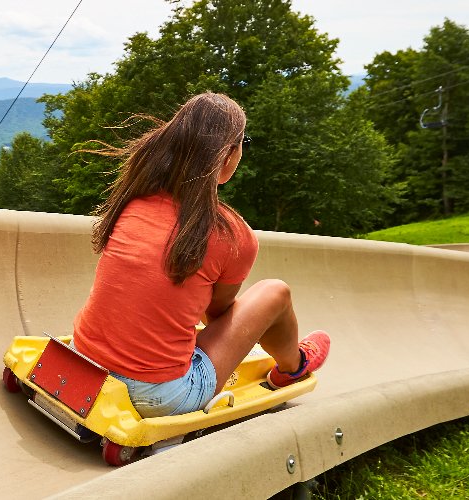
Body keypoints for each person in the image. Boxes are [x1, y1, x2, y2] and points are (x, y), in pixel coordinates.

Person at [71, 92, 330, 419]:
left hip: (80, 362)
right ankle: (293, 365)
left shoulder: (133, 199)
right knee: (275, 292)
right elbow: (216, 317)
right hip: (155, 394)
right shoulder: (232, 234)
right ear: (229, 154)